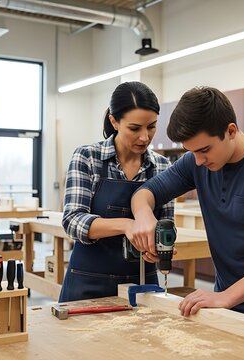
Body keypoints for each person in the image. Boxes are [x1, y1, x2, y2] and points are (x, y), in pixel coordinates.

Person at [130, 86, 244, 328]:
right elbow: (145, 193)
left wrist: (225, 296)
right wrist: (144, 218)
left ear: (231, 130)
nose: (199, 161)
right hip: (223, 307)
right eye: (192, 152)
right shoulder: (196, 162)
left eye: (204, 150)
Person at [59, 81, 174, 302]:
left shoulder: (162, 167)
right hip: (88, 281)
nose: (145, 137)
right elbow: (72, 221)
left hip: (143, 282)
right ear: (114, 121)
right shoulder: (87, 157)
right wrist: (127, 225)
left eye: (151, 126)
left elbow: (165, 223)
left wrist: (157, 246)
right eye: (134, 128)